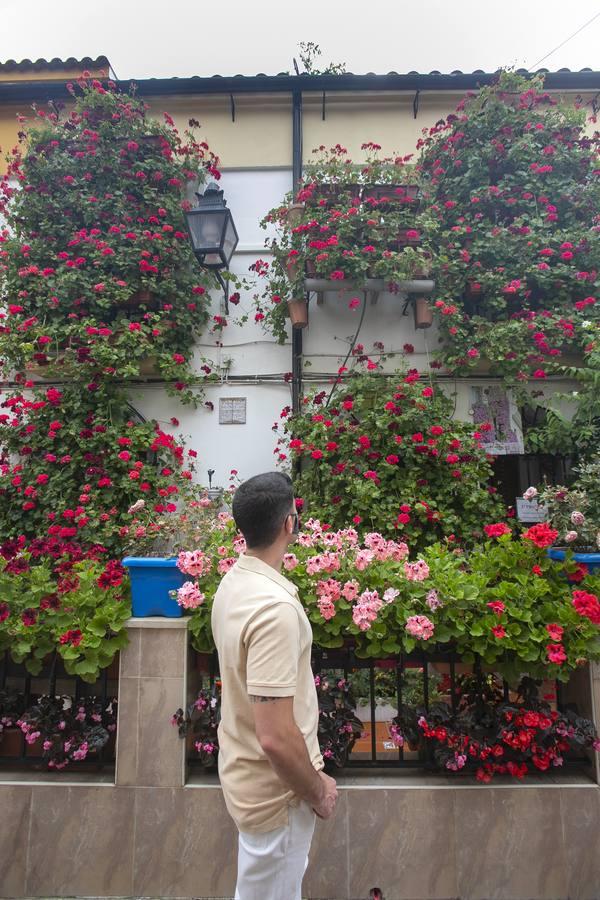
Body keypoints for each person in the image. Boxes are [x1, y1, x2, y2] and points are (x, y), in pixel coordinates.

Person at [211, 471, 338, 900]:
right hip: (276, 798)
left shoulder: (233, 584)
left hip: (248, 782)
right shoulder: (274, 609)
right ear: (290, 523)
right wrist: (317, 790)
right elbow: (276, 737)